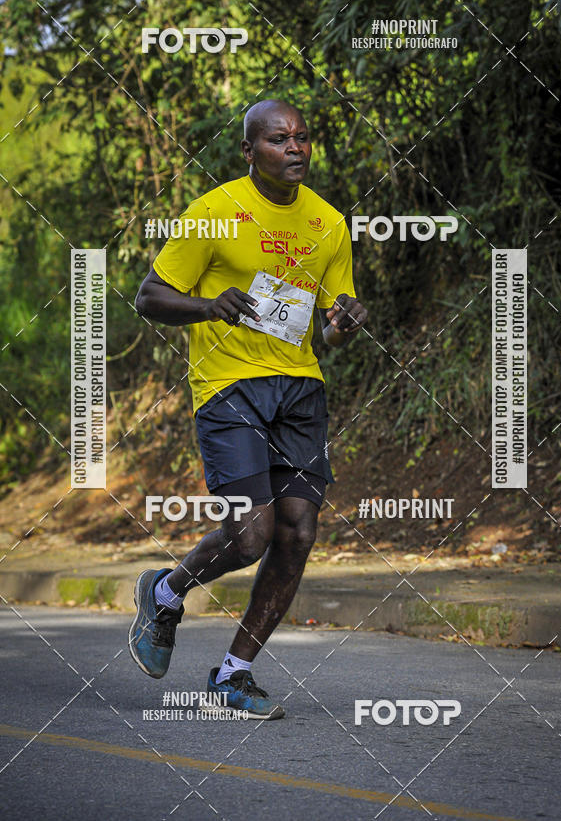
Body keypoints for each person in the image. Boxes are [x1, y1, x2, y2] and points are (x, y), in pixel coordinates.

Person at [129, 98, 367, 720]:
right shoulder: (215, 212)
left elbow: (327, 333)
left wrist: (344, 323)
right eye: (279, 139)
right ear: (248, 151)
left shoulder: (328, 224)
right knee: (251, 533)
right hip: (228, 388)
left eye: (303, 137)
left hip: (300, 389)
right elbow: (148, 297)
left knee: (298, 532)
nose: (295, 148)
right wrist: (208, 307)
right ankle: (164, 590)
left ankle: (234, 674)